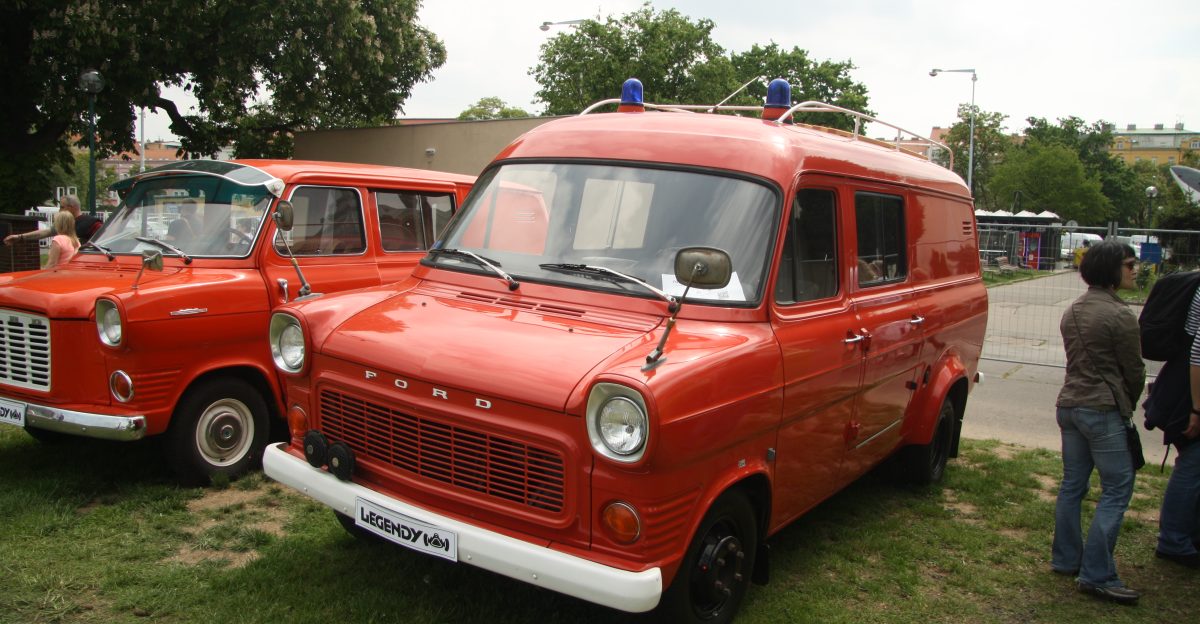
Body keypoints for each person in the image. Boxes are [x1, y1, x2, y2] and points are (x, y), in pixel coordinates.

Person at [1052, 240, 1144, 605]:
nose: (1135, 270)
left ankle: (1066, 559)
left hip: (1070, 405)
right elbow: (1133, 372)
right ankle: (1097, 573)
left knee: (1072, 484)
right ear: (1111, 270)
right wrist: (1127, 405)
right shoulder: (1120, 316)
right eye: (1129, 264)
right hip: (1102, 410)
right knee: (1117, 489)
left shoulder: (1073, 310)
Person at [1152, 285, 1200, 569]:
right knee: (1193, 463)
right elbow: (1197, 352)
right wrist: (1196, 407)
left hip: (1183, 386)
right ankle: (1174, 539)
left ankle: (1186, 534)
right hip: (1190, 393)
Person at [2, 195, 102, 247]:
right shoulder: (64, 223)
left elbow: (104, 242)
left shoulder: (93, 224)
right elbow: (45, 232)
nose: (60, 210)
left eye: (62, 207)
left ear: (72, 207)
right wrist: (20, 237)